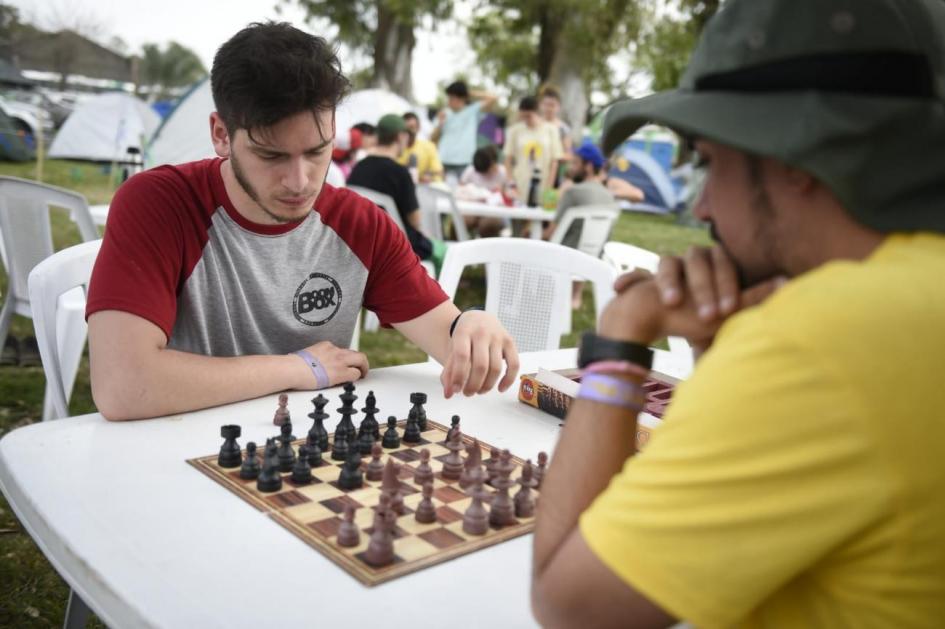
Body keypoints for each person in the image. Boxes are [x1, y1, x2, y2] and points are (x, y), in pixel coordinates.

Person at [531, 0, 945, 627]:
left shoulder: (815, 341)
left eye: (710, 161)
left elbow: (571, 606)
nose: (701, 207)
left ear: (794, 156)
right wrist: (724, 363)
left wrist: (621, 341)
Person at [85, 23, 518, 421]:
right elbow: (123, 386)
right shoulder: (158, 203)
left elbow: (448, 335)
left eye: (316, 151)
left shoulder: (361, 225)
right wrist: (298, 368)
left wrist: (470, 325)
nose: (300, 181)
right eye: (271, 155)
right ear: (221, 134)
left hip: (308, 461)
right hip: (174, 450)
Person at [348, 113, 442, 265]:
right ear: (400, 137)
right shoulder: (400, 173)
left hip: (364, 243)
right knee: (444, 251)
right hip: (400, 245)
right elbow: (416, 221)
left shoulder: (359, 167)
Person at [504, 96, 564, 213]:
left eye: (528, 116)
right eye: (523, 116)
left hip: (544, 183)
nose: (526, 120)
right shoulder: (515, 130)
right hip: (520, 183)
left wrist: (549, 188)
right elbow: (507, 159)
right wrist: (511, 183)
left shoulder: (551, 130)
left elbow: (555, 161)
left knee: (541, 220)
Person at [431, 80, 497, 182]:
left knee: (463, 193)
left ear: (462, 98)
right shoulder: (443, 113)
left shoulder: (473, 111)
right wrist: (440, 124)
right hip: (443, 160)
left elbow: (493, 98)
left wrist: (468, 92)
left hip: (465, 162)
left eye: (452, 98)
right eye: (449, 97)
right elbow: (432, 138)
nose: (449, 101)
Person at [457, 145, 507, 237]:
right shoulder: (470, 171)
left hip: (493, 212)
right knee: (460, 222)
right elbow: (460, 190)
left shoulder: (503, 172)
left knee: (488, 225)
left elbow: (508, 196)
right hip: (471, 210)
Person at [538, 85, 573, 185]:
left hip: (555, 178)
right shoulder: (535, 126)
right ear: (541, 105)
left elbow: (569, 155)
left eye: (552, 105)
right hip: (534, 173)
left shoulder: (563, 129)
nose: (549, 108)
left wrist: (554, 156)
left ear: (558, 107)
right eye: (546, 104)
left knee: (549, 200)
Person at [397, 112, 443, 183]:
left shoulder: (429, 146)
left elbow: (438, 172)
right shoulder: (394, 147)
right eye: (406, 128)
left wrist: (429, 175)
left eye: (412, 127)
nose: (409, 132)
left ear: (419, 128)